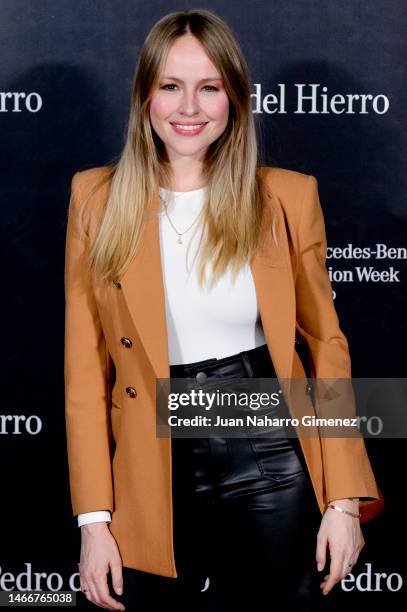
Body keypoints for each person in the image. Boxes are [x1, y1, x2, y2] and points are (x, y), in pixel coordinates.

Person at [64, 8, 380, 612]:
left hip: (265, 438)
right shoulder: (95, 198)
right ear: (144, 96)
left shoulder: (287, 196)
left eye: (209, 87)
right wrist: (92, 519)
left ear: (233, 97)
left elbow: (326, 349)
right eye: (170, 86)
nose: (190, 108)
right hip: (147, 453)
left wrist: (342, 501)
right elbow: (84, 371)